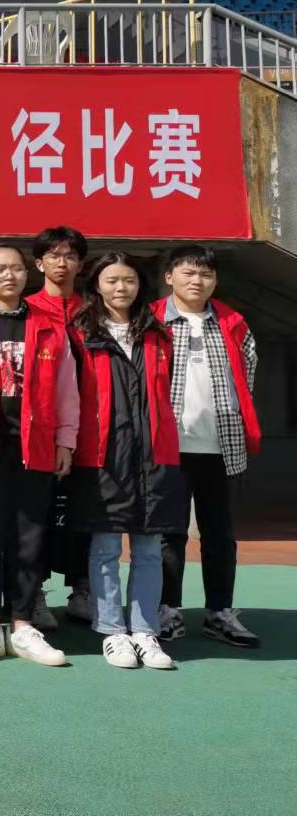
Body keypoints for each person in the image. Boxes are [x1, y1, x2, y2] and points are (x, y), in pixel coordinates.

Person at [0, 244, 77, 667]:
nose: (10, 275)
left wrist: (65, 440)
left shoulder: (48, 326)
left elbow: (67, 389)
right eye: (0, 269)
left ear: (27, 274)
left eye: (17, 269)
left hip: (34, 445)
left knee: (29, 538)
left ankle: (23, 626)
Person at [69, 253, 184, 670]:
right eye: (112, 280)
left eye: (129, 280)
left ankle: (145, 631)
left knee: (149, 547)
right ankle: (112, 631)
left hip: (154, 453)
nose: (121, 288)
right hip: (103, 453)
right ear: (96, 285)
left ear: (141, 286)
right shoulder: (79, 333)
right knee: (104, 547)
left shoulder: (158, 334)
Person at [154, 245, 261, 648]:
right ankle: (168, 609)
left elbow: (248, 376)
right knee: (168, 534)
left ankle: (219, 611)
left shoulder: (233, 322)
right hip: (168, 447)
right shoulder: (152, 321)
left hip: (222, 447)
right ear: (169, 277)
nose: (197, 281)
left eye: (205, 274)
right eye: (188, 272)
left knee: (220, 535)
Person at [26, 226, 90, 629]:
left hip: (91, 432)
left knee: (87, 514)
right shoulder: (27, 309)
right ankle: (34, 593)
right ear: (39, 263)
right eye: (53, 255)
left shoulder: (94, 311)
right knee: (37, 514)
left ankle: (83, 590)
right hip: (41, 431)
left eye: (69, 256)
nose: (61, 263)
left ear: (80, 264)